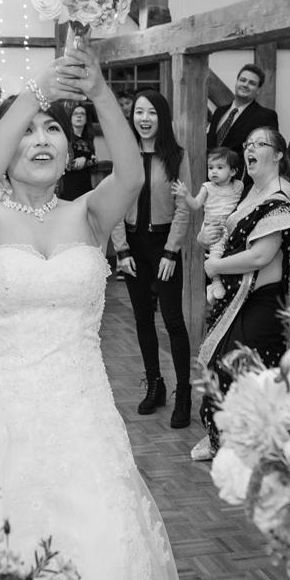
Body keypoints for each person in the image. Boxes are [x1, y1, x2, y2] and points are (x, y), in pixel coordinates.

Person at [0, 51, 179, 580]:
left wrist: (98, 92)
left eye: (52, 130)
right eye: (26, 133)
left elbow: (133, 176)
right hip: (1, 417)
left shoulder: (90, 214)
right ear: (3, 150)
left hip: (83, 413)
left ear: (69, 151)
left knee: (99, 541)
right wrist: (36, 94)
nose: (42, 139)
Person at [193, 125, 290, 461]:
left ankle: (244, 441)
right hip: (238, 298)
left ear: (278, 154)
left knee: (238, 367)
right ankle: (232, 437)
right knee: (224, 363)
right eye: (247, 144)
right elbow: (226, 233)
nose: (249, 149)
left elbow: (263, 255)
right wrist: (208, 238)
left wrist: (216, 268)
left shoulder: (282, 195)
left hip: (266, 300)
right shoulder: (249, 190)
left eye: (259, 144)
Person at [106, 90, 194, 428]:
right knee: (143, 319)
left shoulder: (176, 156)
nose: (144, 118)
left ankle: (183, 393)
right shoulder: (124, 156)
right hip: (132, 246)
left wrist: (172, 251)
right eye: (139, 112)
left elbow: (183, 207)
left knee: (172, 320)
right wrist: (121, 250)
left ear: (162, 117)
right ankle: (154, 384)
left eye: (152, 113)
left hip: (163, 243)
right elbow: (114, 202)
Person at [189, 148, 244, 265]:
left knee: (227, 253)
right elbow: (196, 204)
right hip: (213, 225)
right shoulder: (207, 187)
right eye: (210, 168)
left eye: (219, 168)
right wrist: (185, 195)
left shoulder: (239, 186)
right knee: (216, 251)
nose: (214, 171)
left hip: (230, 225)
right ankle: (216, 280)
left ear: (233, 172)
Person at [206, 64, 278, 153]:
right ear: (236, 82)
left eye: (252, 83)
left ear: (258, 90)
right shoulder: (219, 112)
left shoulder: (266, 116)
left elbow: (267, 151)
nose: (245, 85)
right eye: (242, 80)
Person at [59, 99, 106, 201]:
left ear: (86, 119)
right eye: (75, 113)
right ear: (70, 118)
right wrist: (88, 161)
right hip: (69, 189)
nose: (79, 116)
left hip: (86, 188)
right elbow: (68, 166)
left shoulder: (89, 139)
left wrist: (85, 160)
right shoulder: (66, 139)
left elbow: (95, 162)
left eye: (82, 114)